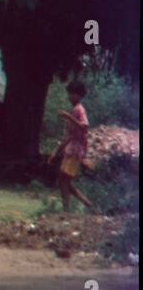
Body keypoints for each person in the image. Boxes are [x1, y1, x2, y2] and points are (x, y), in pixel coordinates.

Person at [51, 80, 93, 212]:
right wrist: (55, 151)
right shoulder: (74, 110)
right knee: (63, 180)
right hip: (70, 149)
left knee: (64, 180)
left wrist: (68, 116)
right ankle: (86, 204)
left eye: (71, 94)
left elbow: (85, 126)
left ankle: (68, 209)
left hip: (76, 150)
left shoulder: (79, 109)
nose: (69, 96)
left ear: (78, 95)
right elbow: (67, 136)